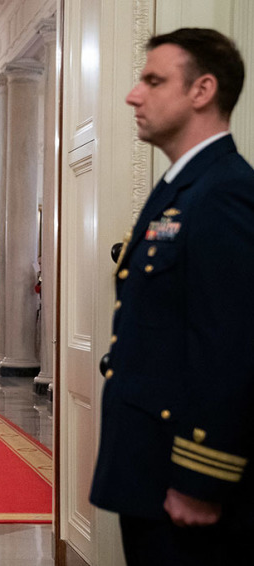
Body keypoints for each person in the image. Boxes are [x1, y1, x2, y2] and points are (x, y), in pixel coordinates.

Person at [90, 28, 254, 564]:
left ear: (202, 90)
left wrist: (201, 476)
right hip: (149, 466)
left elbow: (231, 343)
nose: (133, 95)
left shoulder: (224, 190)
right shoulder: (178, 189)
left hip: (184, 480)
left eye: (153, 80)